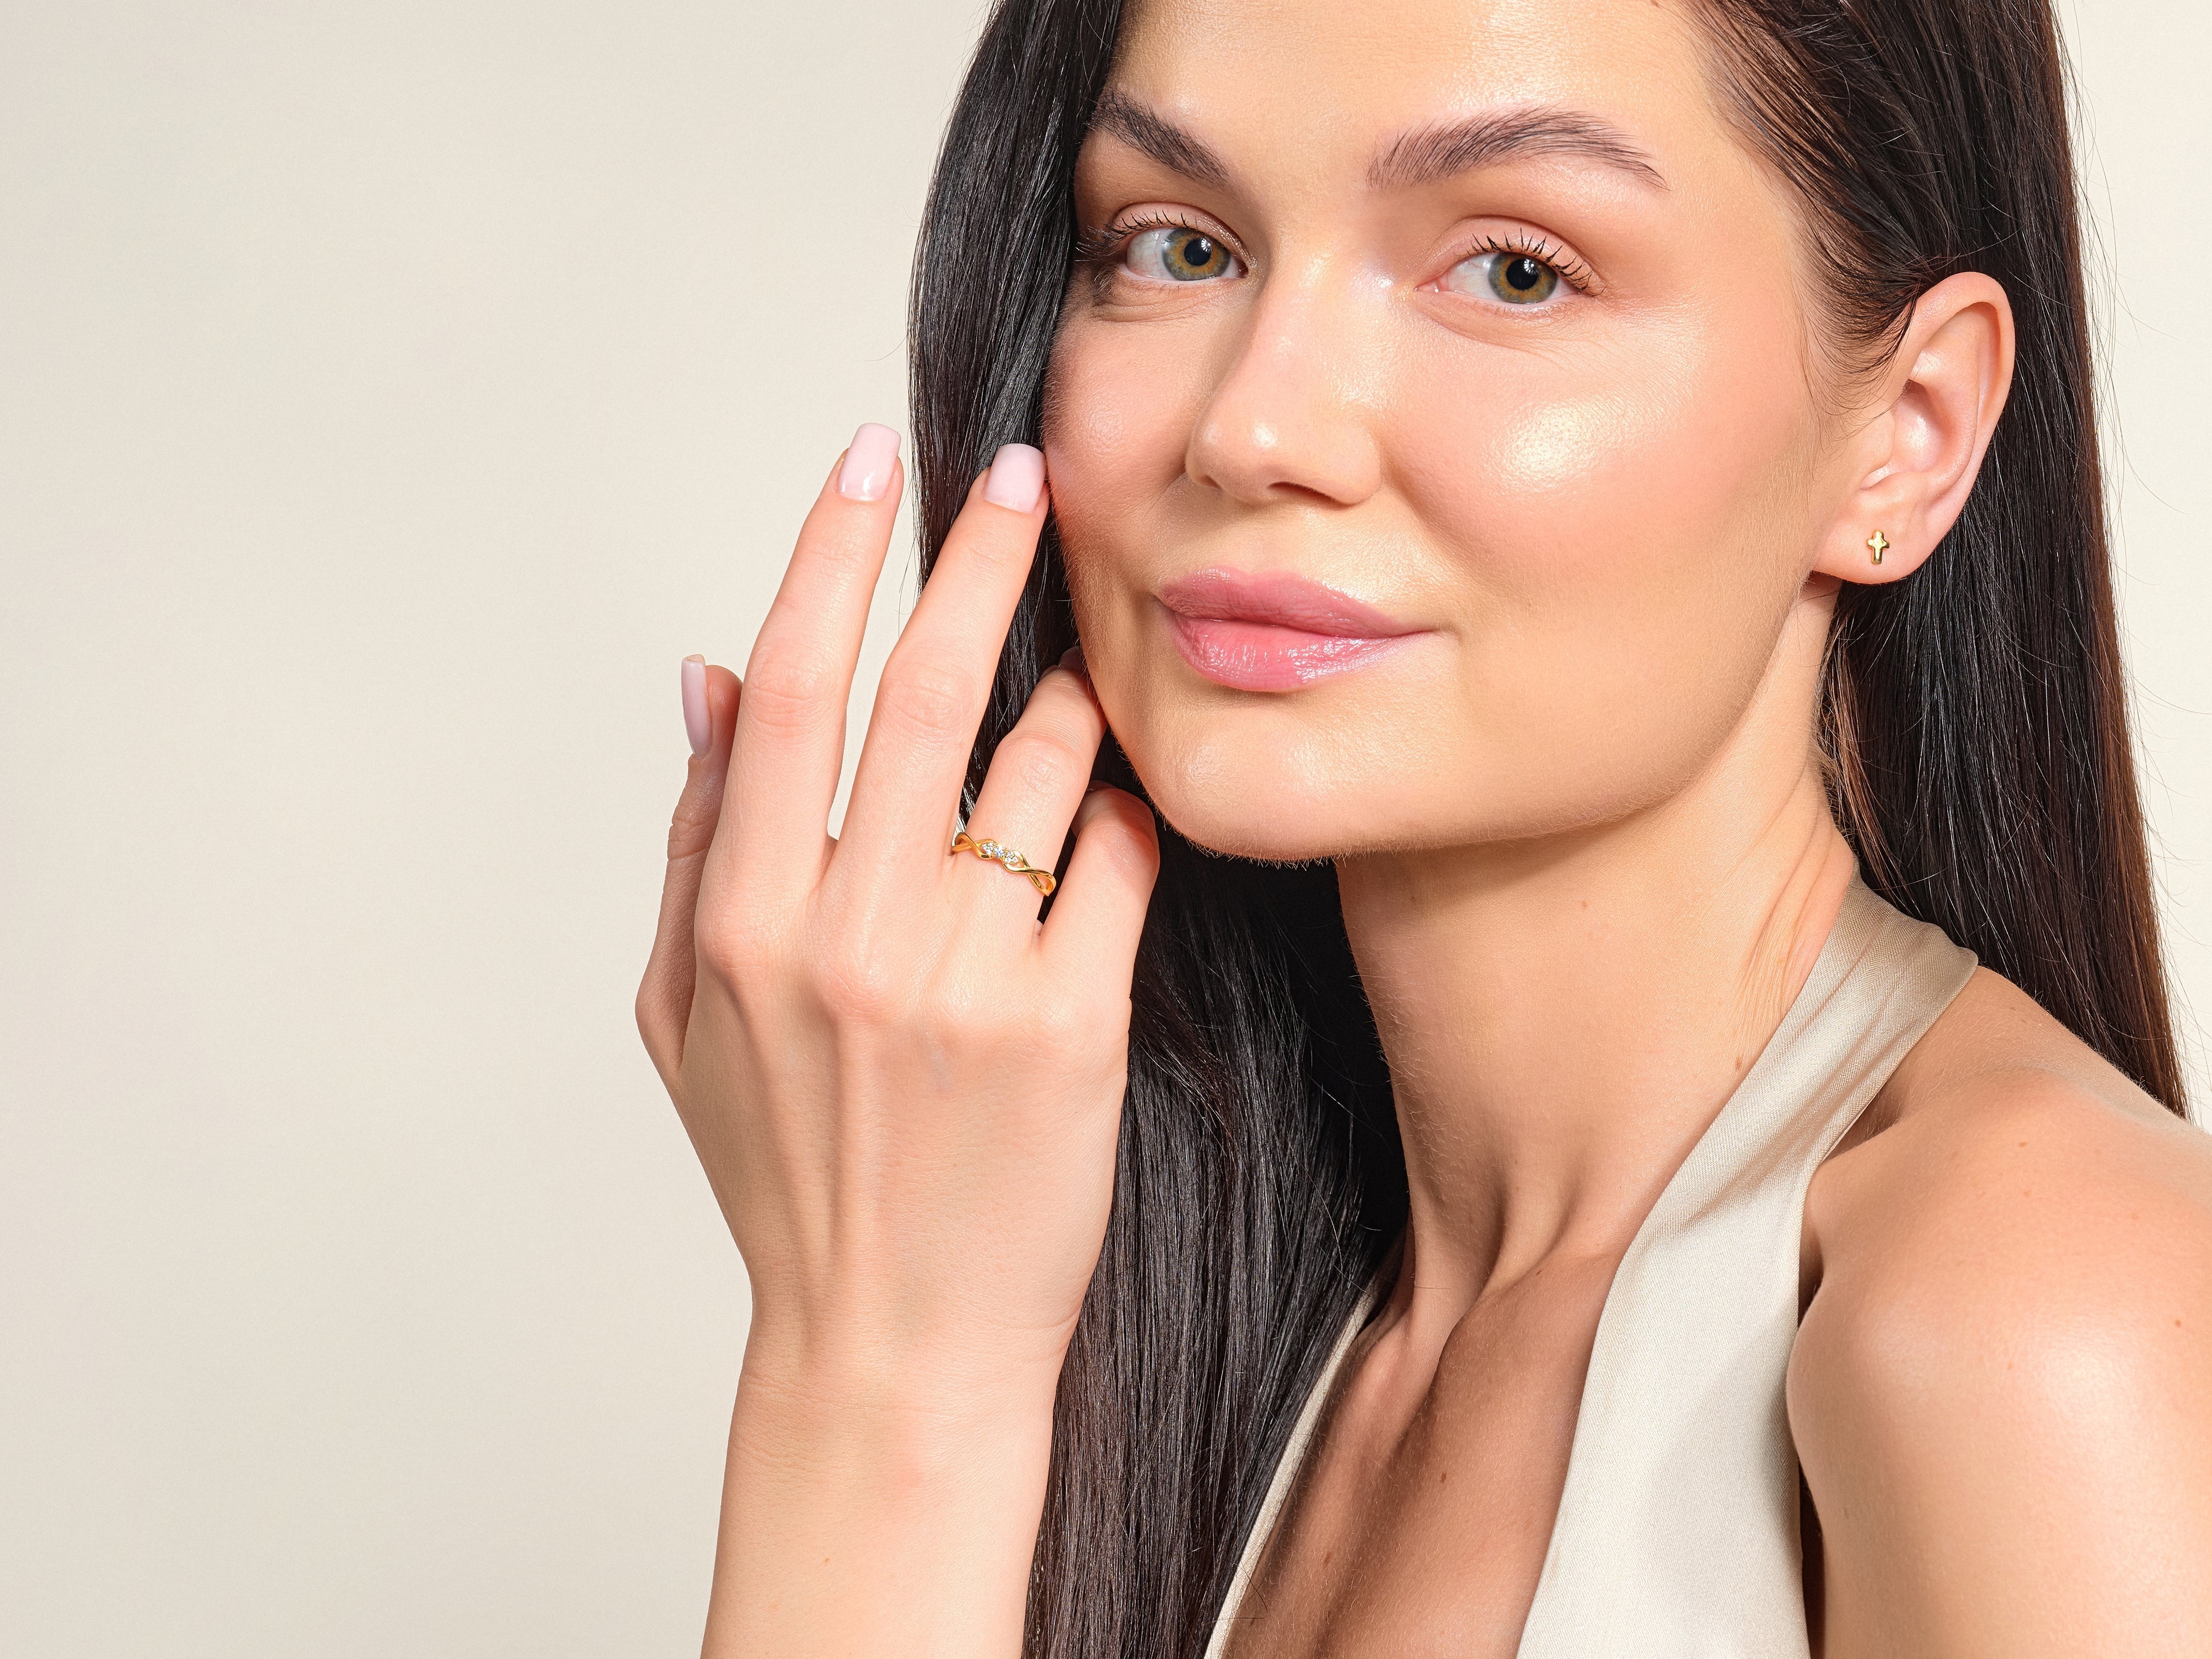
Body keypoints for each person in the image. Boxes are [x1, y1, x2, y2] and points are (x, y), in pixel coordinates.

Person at [634, 0, 2212, 1652]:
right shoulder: (1240, 1314)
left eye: (1516, 268)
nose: (1254, 429)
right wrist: (894, 1347)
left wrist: (881, 1395)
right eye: (1178, 246)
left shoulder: (2036, 1308)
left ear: (1911, 431)